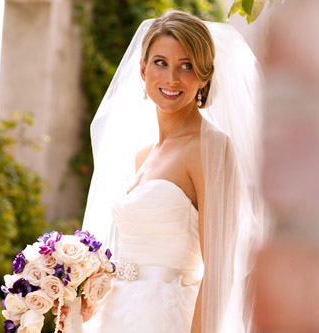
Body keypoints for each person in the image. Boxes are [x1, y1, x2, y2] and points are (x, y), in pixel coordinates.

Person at [59, 10, 264, 332]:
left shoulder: (210, 147)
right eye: (160, 62)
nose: (171, 79)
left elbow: (220, 269)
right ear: (142, 69)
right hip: (117, 313)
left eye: (187, 66)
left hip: (166, 318)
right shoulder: (142, 151)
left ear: (205, 76)